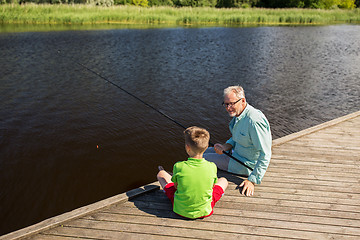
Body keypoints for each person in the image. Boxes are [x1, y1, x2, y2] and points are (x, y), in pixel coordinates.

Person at [204, 85, 271, 197]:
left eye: (231, 104)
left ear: (243, 100)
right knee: (203, 151)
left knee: (202, 158)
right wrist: (225, 147)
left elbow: (266, 153)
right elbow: (237, 138)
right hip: (234, 153)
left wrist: (252, 180)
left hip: (245, 164)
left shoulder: (254, 121)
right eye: (226, 104)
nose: (228, 108)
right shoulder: (239, 114)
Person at [157, 126, 228, 219]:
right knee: (223, 180)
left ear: (187, 147)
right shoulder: (212, 166)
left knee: (161, 174)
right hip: (205, 210)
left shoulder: (179, 166)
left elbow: (176, 187)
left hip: (180, 210)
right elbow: (212, 187)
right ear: (206, 147)